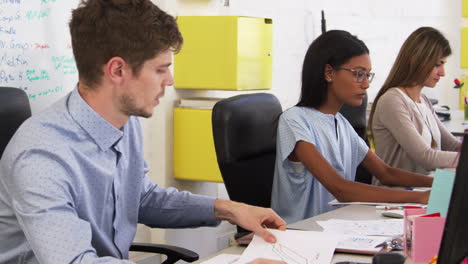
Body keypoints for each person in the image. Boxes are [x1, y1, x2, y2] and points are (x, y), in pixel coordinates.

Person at [0, 0, 286, 263]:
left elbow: (141, 197)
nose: (170, 81)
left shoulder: (125, 120)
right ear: (117, 70)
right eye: (161, 70)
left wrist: (230, 209)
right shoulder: (40, 156)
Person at [271, 30, 434, 224]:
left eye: (367, 75)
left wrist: (439, 184)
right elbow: (340, 188)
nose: (365, 84)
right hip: (300, 234)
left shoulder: (341, 123)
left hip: (337, 229)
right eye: (358, 74)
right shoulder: (294, 121)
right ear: (329, 73)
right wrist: (419, 198)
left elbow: (386, 173)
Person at [368, 27, 461, 181]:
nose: (442, 72)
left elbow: (453, 146)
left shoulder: (423, 101)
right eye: (438, 64)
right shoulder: (392, 101)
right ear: (417, 60)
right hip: (395, 198)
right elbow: (426, 157)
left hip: (422, 194)